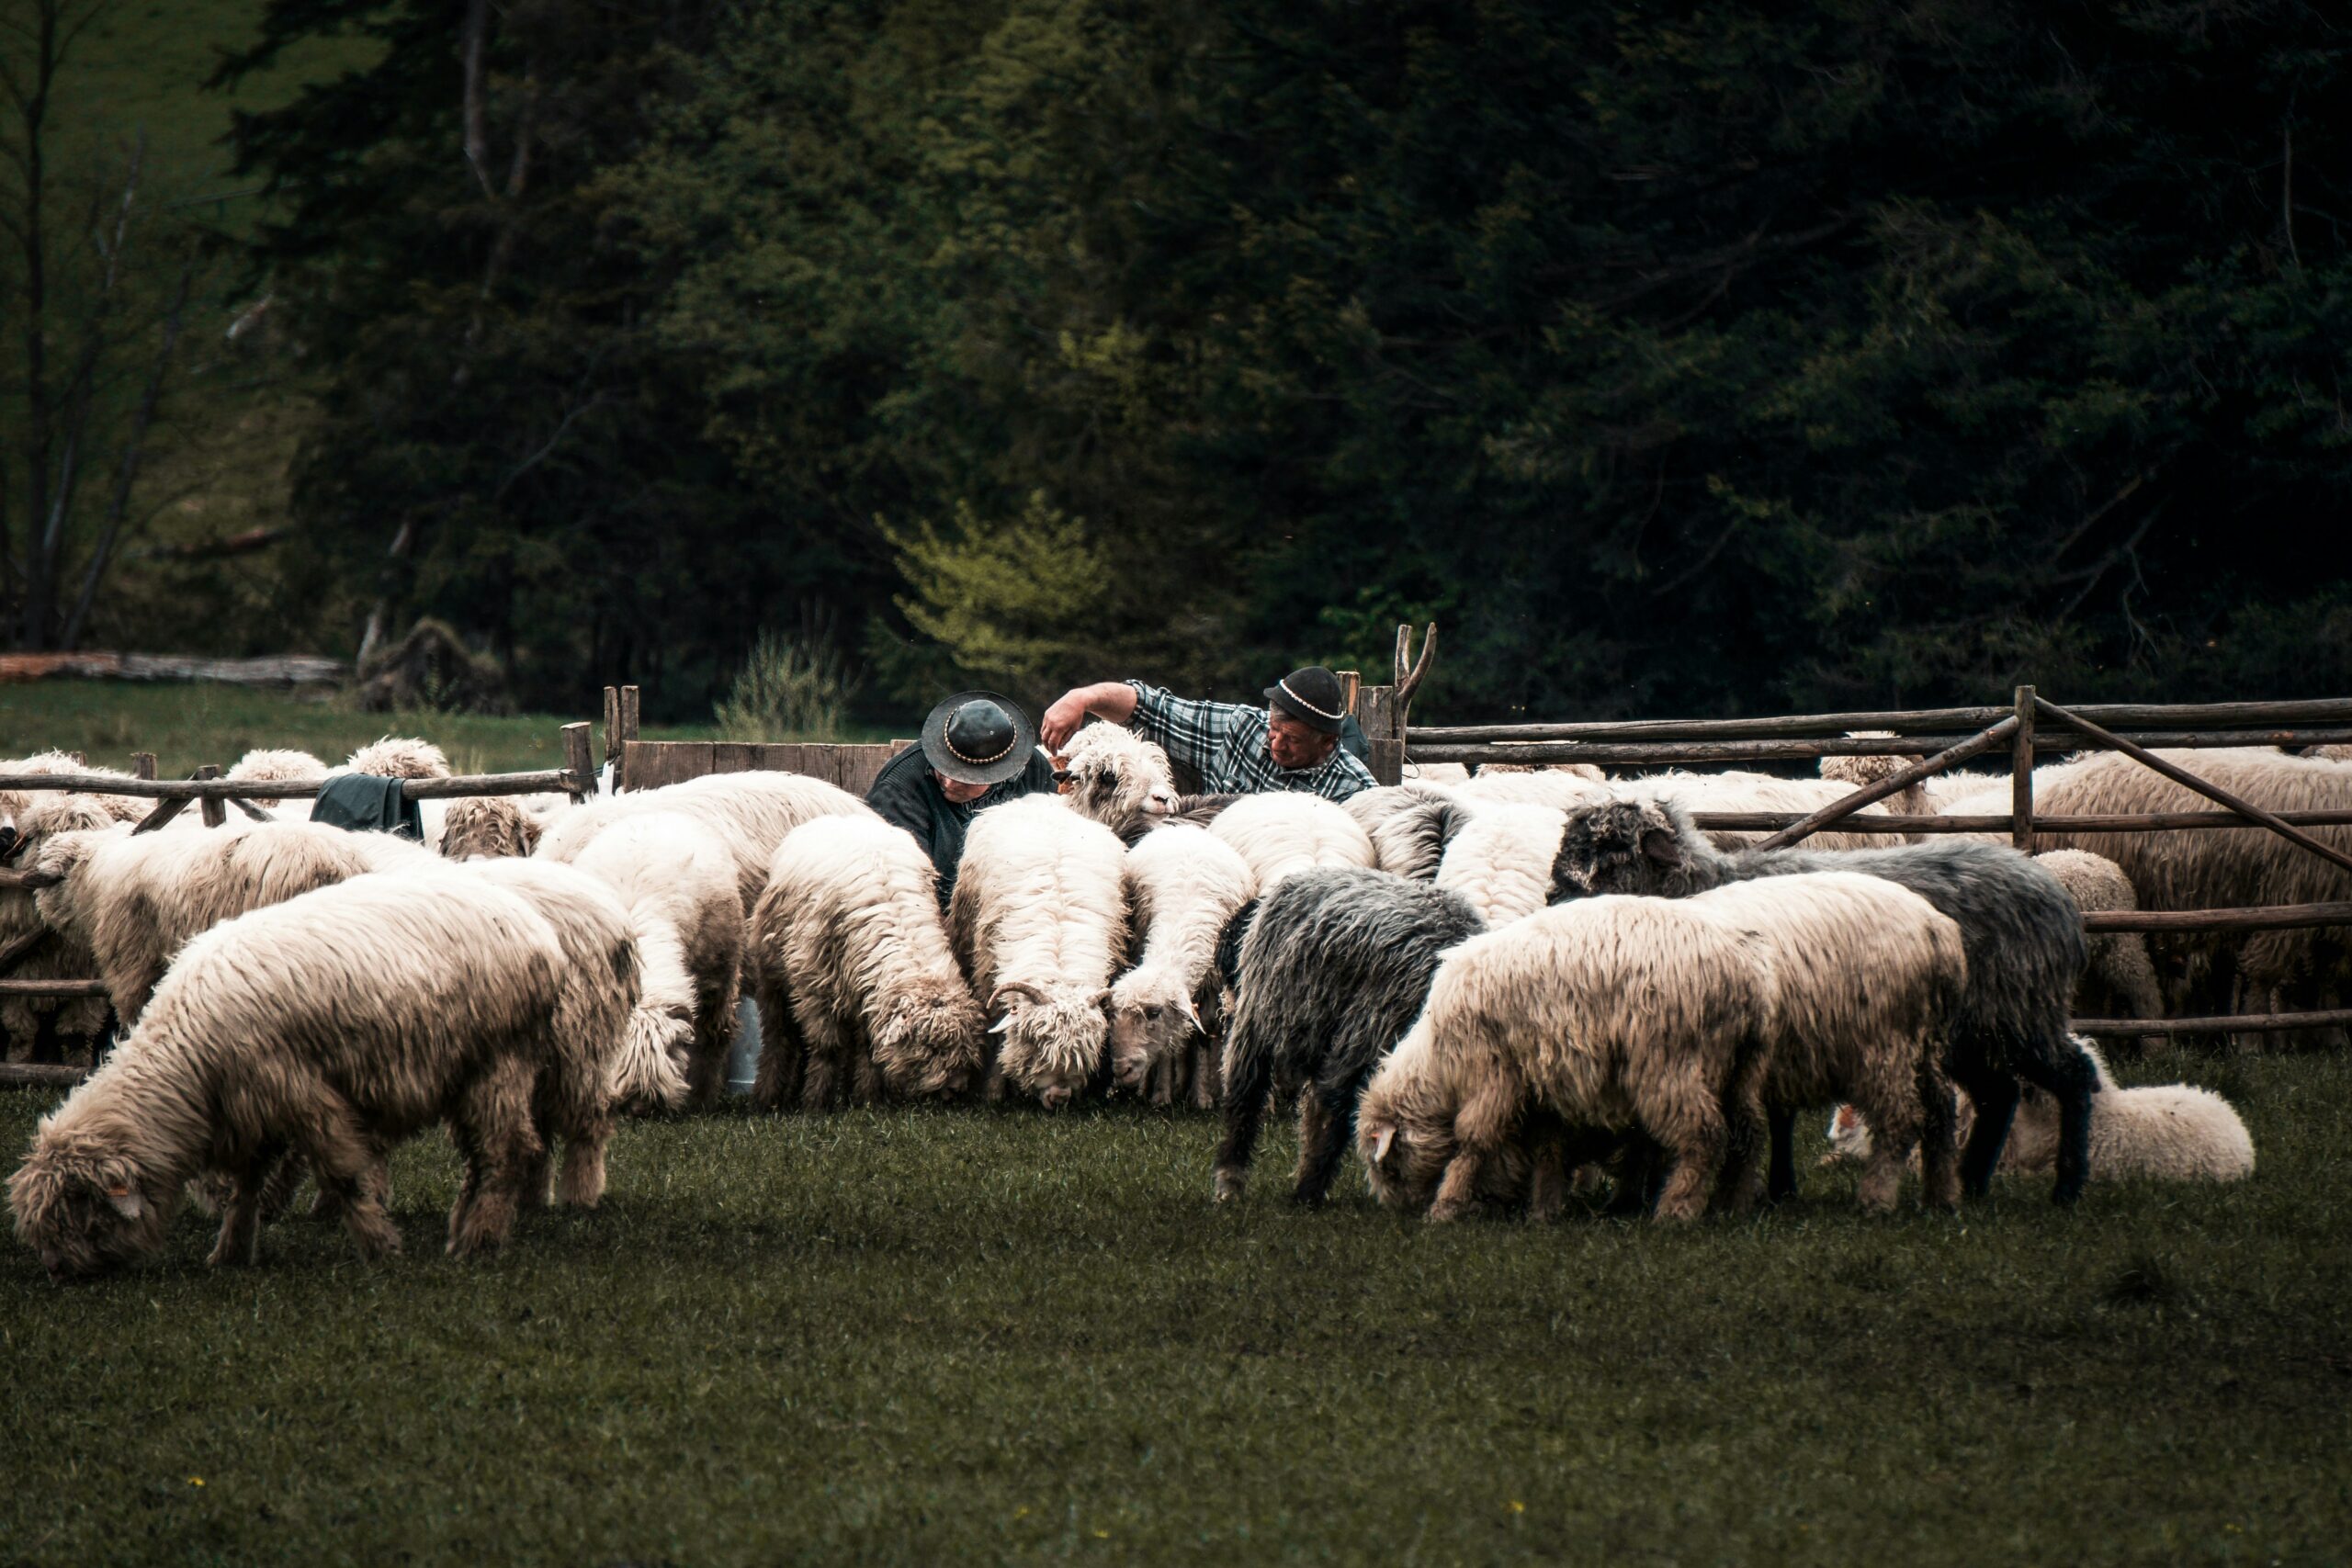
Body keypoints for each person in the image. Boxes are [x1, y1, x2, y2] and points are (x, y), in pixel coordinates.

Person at [1039, 664, 1376, 801]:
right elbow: (1152, 708)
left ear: (1328, 741)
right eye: (1274, 729)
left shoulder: (1356, 791)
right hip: (1212, 879)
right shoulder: (1242, 727)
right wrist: (1082, 697)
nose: (1276, 742)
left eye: (1293, 739)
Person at [866, 692, 1057, 900]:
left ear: (999, 773)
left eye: (964, 777)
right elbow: (898, 885)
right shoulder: (898, 789)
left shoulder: (1034, 771)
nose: (948, 782)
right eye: (943, 767)